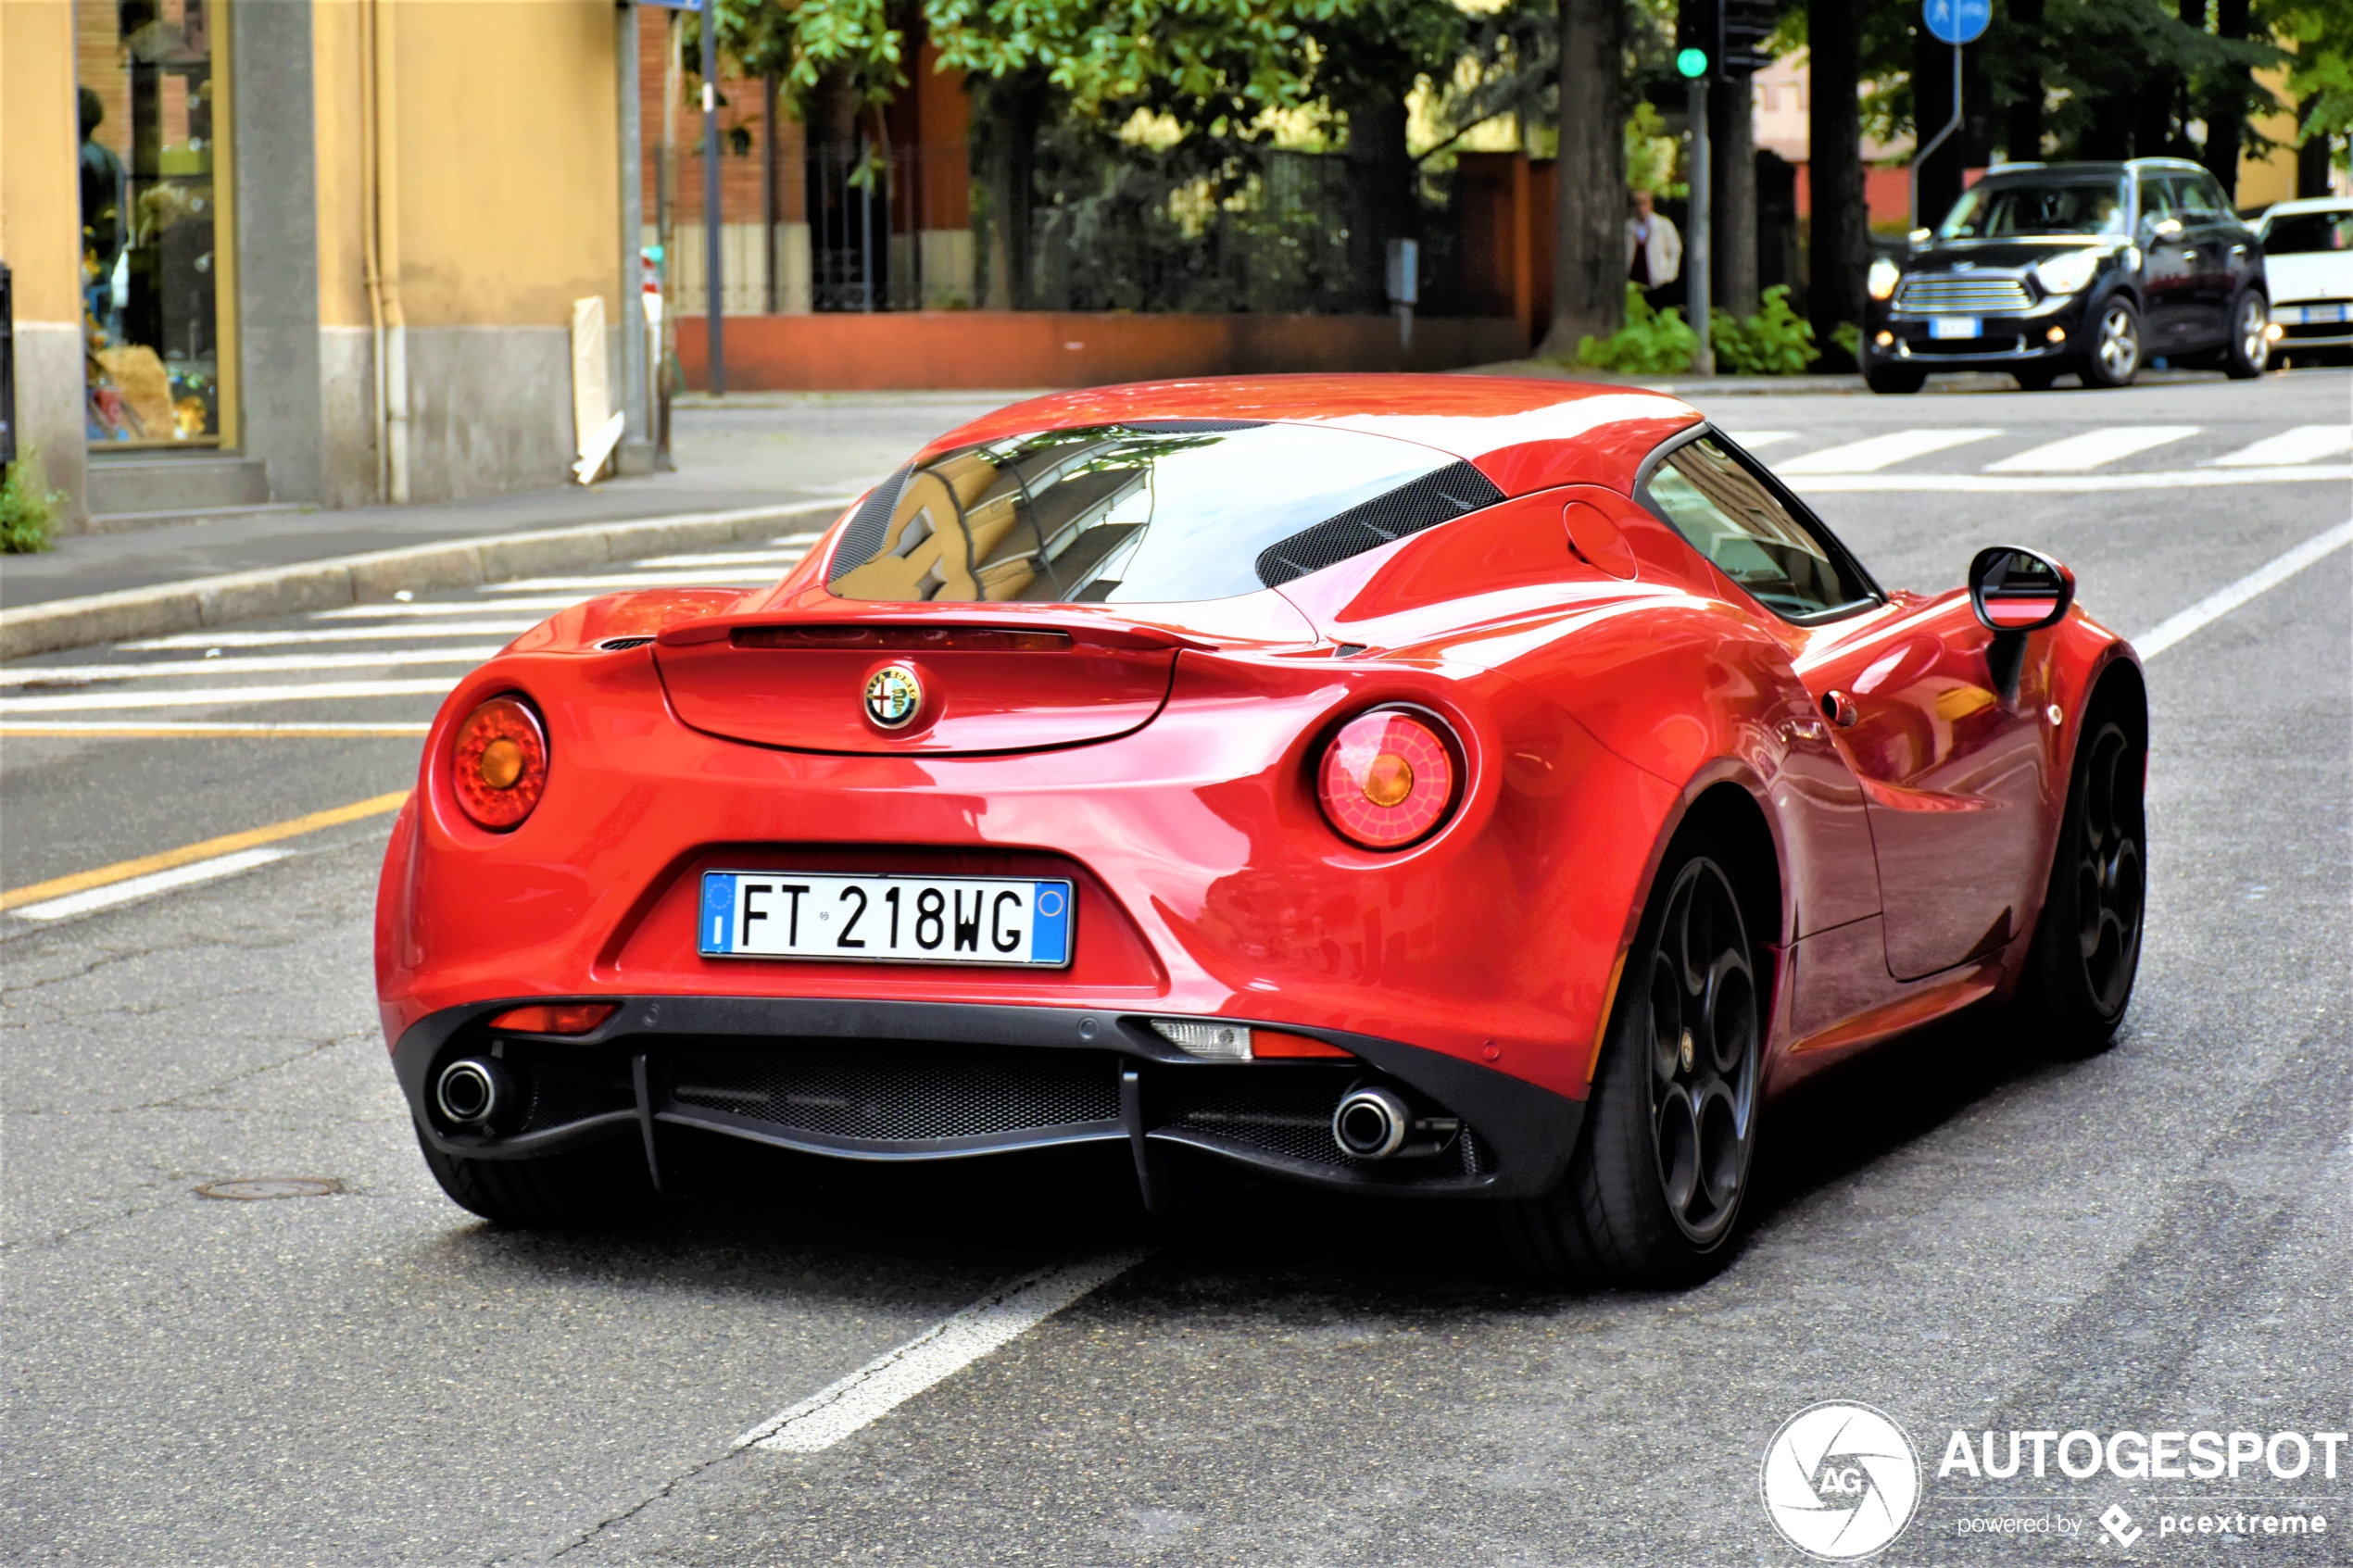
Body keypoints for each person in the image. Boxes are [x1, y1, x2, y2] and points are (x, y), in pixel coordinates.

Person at [1626, 190, 1683, 306]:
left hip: (1658, 282)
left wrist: (1670, 272)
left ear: (1650, 204)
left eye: (1643, 203)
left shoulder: (1663, 225)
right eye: (1636, 203)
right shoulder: (1628, 227)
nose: (1640, 207)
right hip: (1634, 282)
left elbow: (1674, 250)